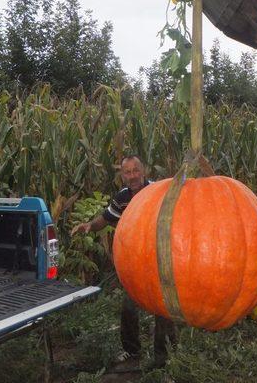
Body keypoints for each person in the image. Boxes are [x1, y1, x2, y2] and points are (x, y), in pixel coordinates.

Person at [71, 155, 177, 373]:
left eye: (136, 170)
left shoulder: (159, 191)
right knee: (129, 306)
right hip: (135, 263)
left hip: (160, 260)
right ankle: (132, 351)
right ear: (122, 175)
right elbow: (107, 218)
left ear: (144, 170)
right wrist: (90, 225)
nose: (132, 176)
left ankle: (164, 359)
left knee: (163, 309)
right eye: (127, 172)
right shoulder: (122, 198)